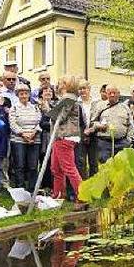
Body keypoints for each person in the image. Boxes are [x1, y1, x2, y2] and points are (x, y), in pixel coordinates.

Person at [49, 75, 84, 203]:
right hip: (59, 138)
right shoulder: (66, 98)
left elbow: (59, 117)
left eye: (61, 83)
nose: (58, 85)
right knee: (56, 168)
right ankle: (58, 195)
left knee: (69, 168)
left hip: (65, 136)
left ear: (67, 85)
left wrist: (45, 107)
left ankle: (82, 196)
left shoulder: (69, 99)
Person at [85, 85, 134, 164]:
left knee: (121, 166)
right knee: (105, 166)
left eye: (114, 93)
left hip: (122, 143)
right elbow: (92, 122)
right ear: (106, 94)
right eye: (110, 93)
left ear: (118, 94)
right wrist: (98, 125)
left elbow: (130, 125)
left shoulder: (125, 108)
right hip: (104, 143)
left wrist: (129, 140)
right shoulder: (100, 106)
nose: (112, 95)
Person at [8, 83, 42, 194]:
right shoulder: (14, 108)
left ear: (29, 94)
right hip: (19, 140)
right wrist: (24, 135)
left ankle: (32, 190)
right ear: (18, 95)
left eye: (26, 93)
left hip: (34, 139)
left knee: (33, 166)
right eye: (21, 94)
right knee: (20, 165)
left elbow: (39, 122)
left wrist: (33, 133)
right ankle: (20, 189)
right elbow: (13, 124)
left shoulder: (35, 107)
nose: (24, 96)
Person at [37, 85, 55, 193]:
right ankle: (43, 184)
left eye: (50, 91)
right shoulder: (37, 106)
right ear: (41, 94)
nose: (48, 92)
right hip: (41, 137)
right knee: (43, 160)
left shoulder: (56, 105)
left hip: (53, 137)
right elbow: (40, 122)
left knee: (52, 162)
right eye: (45, 91)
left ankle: (52, 185)